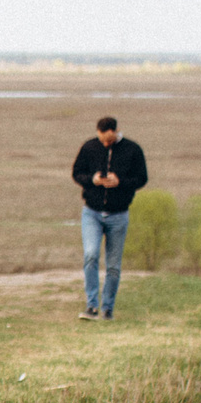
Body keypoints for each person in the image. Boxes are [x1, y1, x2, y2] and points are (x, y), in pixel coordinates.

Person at [71, 115, 148, 320]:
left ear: (116, 132)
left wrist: (120, 182)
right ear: (98, 133)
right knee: (91, 254)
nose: (106, 143)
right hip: (92, 212)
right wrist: (92, 179)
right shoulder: (89, 147)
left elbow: (142, 178)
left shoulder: (133, 149)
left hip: (119, 215)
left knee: (113, 265)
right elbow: (76, 173)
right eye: (103, 140)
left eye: (109, 140)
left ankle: (107, 309)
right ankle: (91, 306)